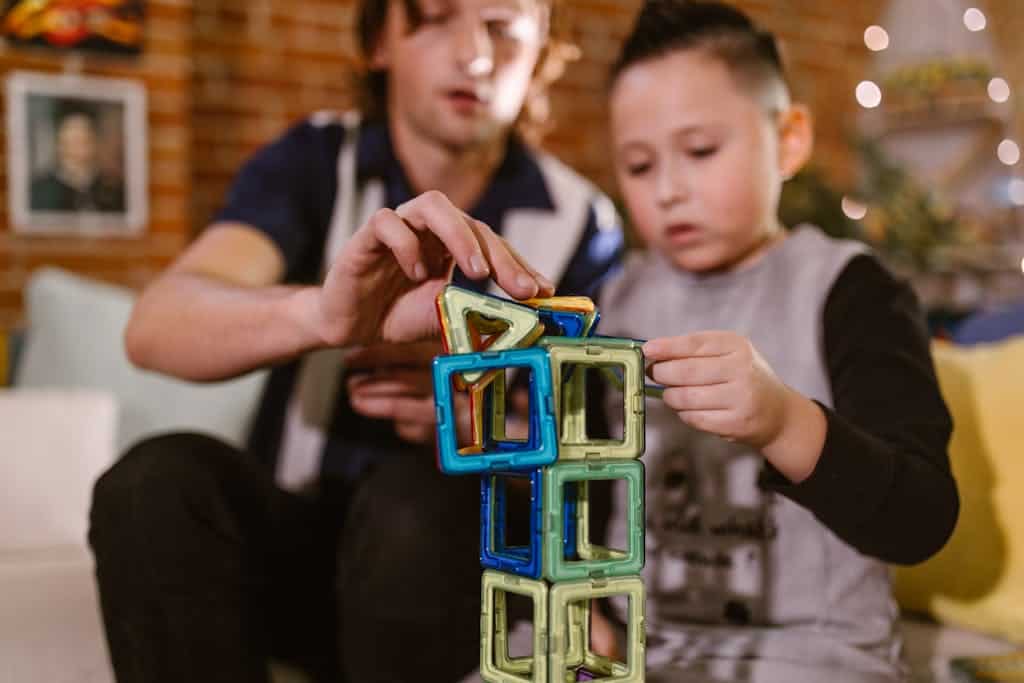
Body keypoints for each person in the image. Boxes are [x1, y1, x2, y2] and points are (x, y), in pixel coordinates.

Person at [87, 0, 623, 681]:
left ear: (543, 47)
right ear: (380, 41)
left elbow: (598, 455)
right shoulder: (316, 160)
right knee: (154, 482)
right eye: (434, 16)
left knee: (417, 501)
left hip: (454, 556)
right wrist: (323, 317)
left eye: (503, 28)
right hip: (300, 549)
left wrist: (482, 425)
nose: (475, 56)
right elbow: (156, 326)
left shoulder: (583, 221)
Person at [590, 2, 959, 681]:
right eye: (639, 166)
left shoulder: (852, 291)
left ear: (788, 139)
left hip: (810, 655)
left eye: (701, 151)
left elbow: (922, 517)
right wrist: (593, 615)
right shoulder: (616, 300)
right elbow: (591, 496)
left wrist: (785, 421)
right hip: (636, 648)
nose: (669, 190)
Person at [30, 107, 125, 212]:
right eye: (73, 139)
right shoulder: (39, 191)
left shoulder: (113, 188)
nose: (80, 144)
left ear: (95, 141)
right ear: (60, 144)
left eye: (85, 137)